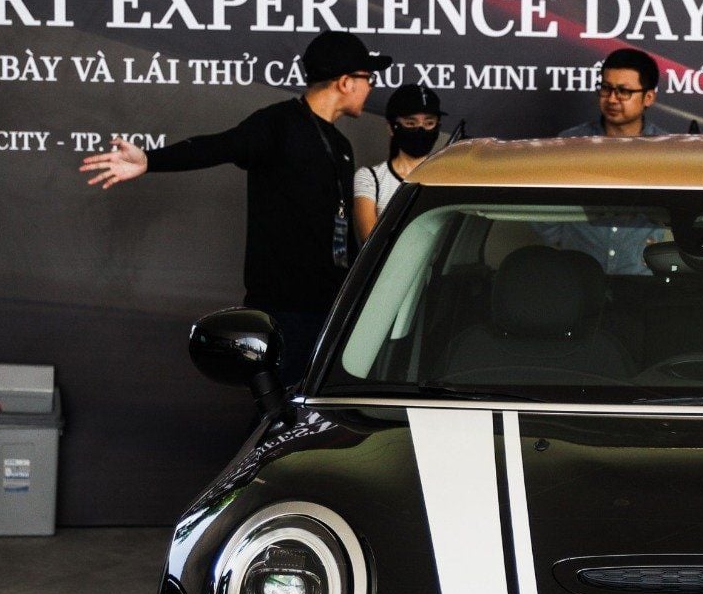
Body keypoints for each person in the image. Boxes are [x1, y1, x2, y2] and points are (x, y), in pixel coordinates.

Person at [78, 30, 387, 386]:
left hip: (329, 308)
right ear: (346, 82)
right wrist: (150, 160)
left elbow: (339, 226)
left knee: (319, 405)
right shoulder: (277, 125)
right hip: (282, 310)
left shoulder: (341, 145)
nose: (371, 87)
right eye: (368, 78)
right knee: (280, 406)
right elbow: (218, 147)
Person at [357, 84, 446, 240]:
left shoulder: (449, 177)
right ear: (392, 127)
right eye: (410, 123)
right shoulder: (370, 178)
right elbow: (371, 242)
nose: (421, 130)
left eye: (429, 123)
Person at [558, 48, 678, 138]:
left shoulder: (666, 149)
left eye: (624, 91)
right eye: (606, 88)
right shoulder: (570, 142)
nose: (611, 99)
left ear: (648, 98)